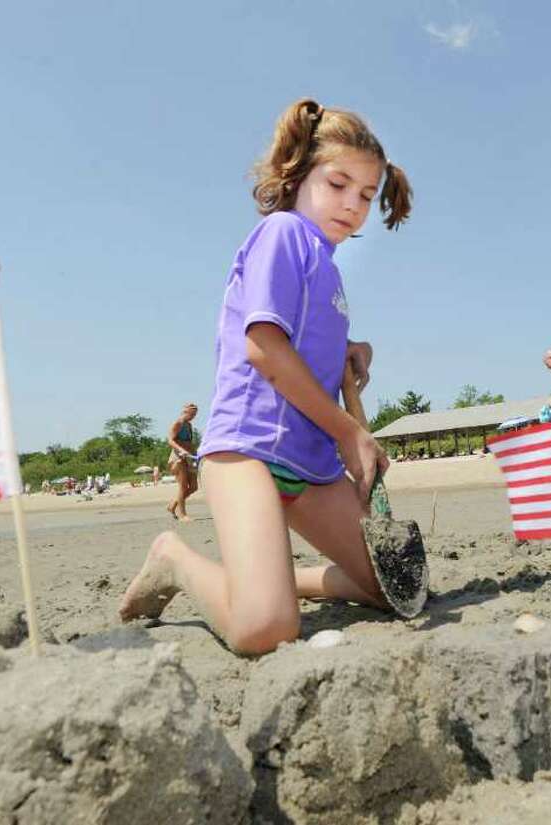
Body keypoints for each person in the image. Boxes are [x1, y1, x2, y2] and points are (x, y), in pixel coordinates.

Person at [119, 98, 412, 654]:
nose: (352, 204)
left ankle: (270, 582)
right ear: (300, 175)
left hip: (312, 465)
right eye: (338, 184)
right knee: (265, 629)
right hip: (248, 450)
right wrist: (350, 431)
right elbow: (263, 348)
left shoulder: (327, 268)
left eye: (366, 196)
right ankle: (175, 559)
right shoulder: (282, 233)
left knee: (389, 588)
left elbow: (303, 340)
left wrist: (349, 349)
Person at [166, 403, 200, 521]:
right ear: (185, 412)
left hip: (190, 455)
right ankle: (182, 515)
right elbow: (170, 440)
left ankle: (173, 505)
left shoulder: (189, 425)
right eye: (192, 414)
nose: (193, 416)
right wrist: (181, 450)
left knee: (194, 487)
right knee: (183, 486)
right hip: (178, 456)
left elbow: (189, 441)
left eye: (195, 414)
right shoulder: (178, 423)